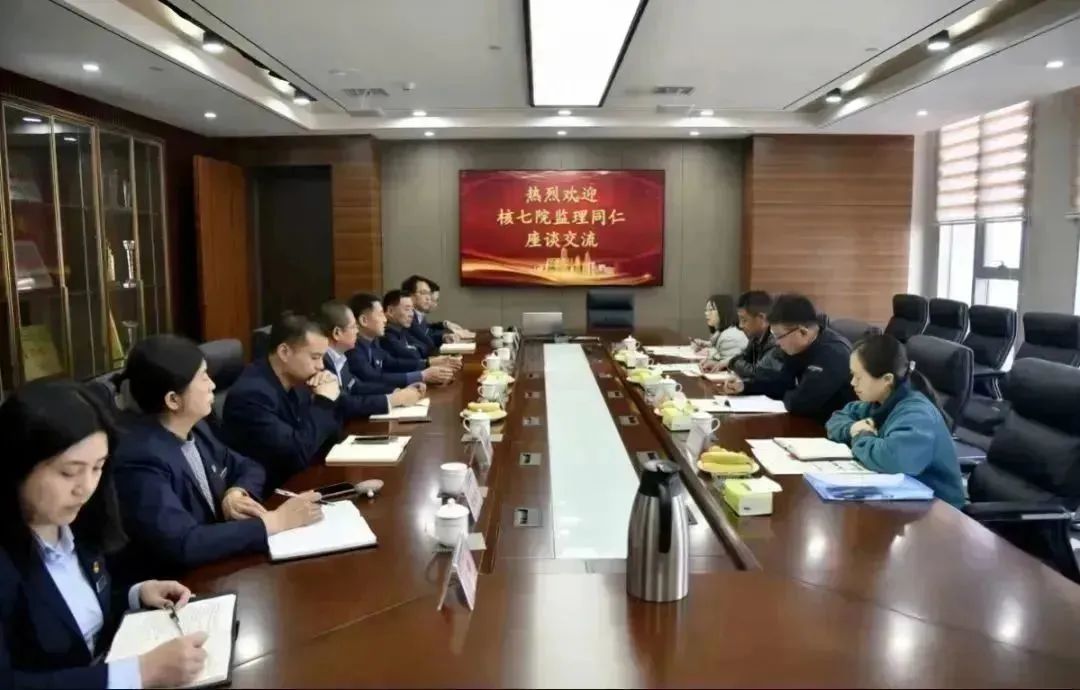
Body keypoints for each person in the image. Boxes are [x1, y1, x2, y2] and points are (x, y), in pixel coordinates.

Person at [0, 379, 209, 688]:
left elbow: (76, 613)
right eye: (69, 472)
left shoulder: (78, 523)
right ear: (18, 466)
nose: (86, 488)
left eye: (97, 467)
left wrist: (135, 595)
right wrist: (140, 673)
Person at [112, 335, 323, 578]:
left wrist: (236, 492)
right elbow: (184, 543)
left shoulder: (197, 428)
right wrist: (273, 523)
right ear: (173, 400)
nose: (212, 385)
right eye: (203, 377)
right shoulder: (140, 458)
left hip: (220, 566)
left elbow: (249, 466)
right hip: (180, 584)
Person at [825, 334, 965, 507]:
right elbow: (837, 419)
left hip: (939, 509)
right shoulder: (878, 401)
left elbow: (892, 460)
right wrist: (851, 428)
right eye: (852, 375)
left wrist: (861, 434)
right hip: (900, 497)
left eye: (859, 377)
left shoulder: (917, 414)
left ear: (887, 380)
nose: (853, 382)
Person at [223, 311, 342, 491]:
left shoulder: (299, 380)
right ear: (284, 352)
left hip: (302, 481)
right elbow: (296, 454)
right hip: (270, 494)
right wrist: (323, 402)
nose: (321, 366)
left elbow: (329, 437)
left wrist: (328, 396)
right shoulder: (251, 396)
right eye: (315, 357)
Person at [719, 294, 854, 418]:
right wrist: (744, 386)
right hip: (801, 422)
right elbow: (780, 382)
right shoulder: (794, 348)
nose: (777, 343)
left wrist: (787, 392)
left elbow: (801, 403)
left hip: (828, 428)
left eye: (779, 336)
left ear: (802, 332)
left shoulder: (834, 354)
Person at [316, 299, 427, 417]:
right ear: (337, 333)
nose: (357, 331)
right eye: (353, 327)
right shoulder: (322, 363)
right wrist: (393, 399)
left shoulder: (340, 356)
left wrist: (397, 391)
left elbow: (356, 386)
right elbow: (343, 403)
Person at [346, 293, 453, 393]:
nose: (385, 319)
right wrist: (421, 376)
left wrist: (427, 364)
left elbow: (391, 362)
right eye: (380, 314)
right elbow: (372, 378)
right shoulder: (352, 349)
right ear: (364, 320)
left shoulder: (374, 342)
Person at [380, 290, 462, 372]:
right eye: (407, 309)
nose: (411, 314)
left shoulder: (402, 330)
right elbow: (413, 356)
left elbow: (424, 346)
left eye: (412, 310)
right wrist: (427, 360)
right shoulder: (385, 336)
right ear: (390, 311)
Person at [719, 290, 782, 381]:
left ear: (762, 318)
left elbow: (757, 373)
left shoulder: (776, 341)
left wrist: (732, 362)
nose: (740, 325)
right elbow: (742, 358)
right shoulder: (755, 338)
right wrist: (729, 362)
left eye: (744, 320)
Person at [401, 275, 457, 353]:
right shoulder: (406, 318)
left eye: (429, 293)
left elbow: (428, 333)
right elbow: (426, 343)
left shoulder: (419, 315)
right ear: (410, 295)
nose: (428, 298)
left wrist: (443, 337)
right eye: (423, 293)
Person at [694, 294, 748, 370]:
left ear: (724, 311)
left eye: (711, 309)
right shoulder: (724, 332)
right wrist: (706, 345)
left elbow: (732, 366)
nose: (706, 313)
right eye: (706, 310)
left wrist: (713, 359)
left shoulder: (729, 337)